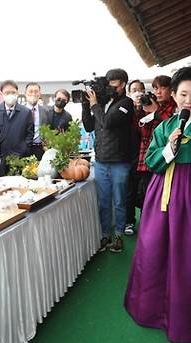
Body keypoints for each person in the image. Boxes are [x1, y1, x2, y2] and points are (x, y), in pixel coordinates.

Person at [125, 66, 191, 343]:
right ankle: (153, 310)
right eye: (183, 94)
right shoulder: (163, 127)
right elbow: (151, 162)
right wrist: (169, 147)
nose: (188, 100)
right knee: (154, 246)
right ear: (173, 95)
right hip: (164, 193)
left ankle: (189, 317)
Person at [82, 68, 135, 253]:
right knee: (104, 201)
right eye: (109, 82)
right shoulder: (102, 103)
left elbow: (108, 122)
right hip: (101, 160)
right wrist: (85, 104)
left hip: (120, 161)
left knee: (119, 200)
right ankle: (105, 235)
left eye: (114, 82)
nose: (110, 86)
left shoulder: (127, 103)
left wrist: (95, 104)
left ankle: (119, 236)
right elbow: (89, 126)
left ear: (123, 84)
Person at [133, 75, 177, 222]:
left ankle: (160, 226)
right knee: (144, 196)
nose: (158, 92)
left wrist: (155, 111)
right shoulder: (150, 104)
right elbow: (138, 129)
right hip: (147, 158)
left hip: (165, 160)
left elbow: (172, 125)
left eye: (163, 88)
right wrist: (139, 110)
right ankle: (149, 226)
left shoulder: (174, 106)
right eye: (156, 88)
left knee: (163, 197)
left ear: (171, 90)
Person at [0, 80, 33, 175]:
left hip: (19, 158)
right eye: (7, 92)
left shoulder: (26, 112)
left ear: (17, 93)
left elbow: (30, 134)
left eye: (13, 92)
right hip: (0, 158)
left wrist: (23, 149)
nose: (10, 95)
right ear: (1, 94)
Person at [124, 79, 145, 235]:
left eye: (140, 89)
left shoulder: (149, 109)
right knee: (129, 192)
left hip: (145, 158)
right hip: (129, 156)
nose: (137, 93)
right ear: (129, 93)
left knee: (145, 192)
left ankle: (146, 221)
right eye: (134, 90)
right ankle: (129, 222)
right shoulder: (125, 110)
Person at [25, 82, 51, 160]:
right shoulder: (20, 111)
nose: (33, 94)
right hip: (25, 149)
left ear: (39, 94)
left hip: (40, 149)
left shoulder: (46, 111)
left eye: (36, 91)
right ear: (25, 93)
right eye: (30, 91)